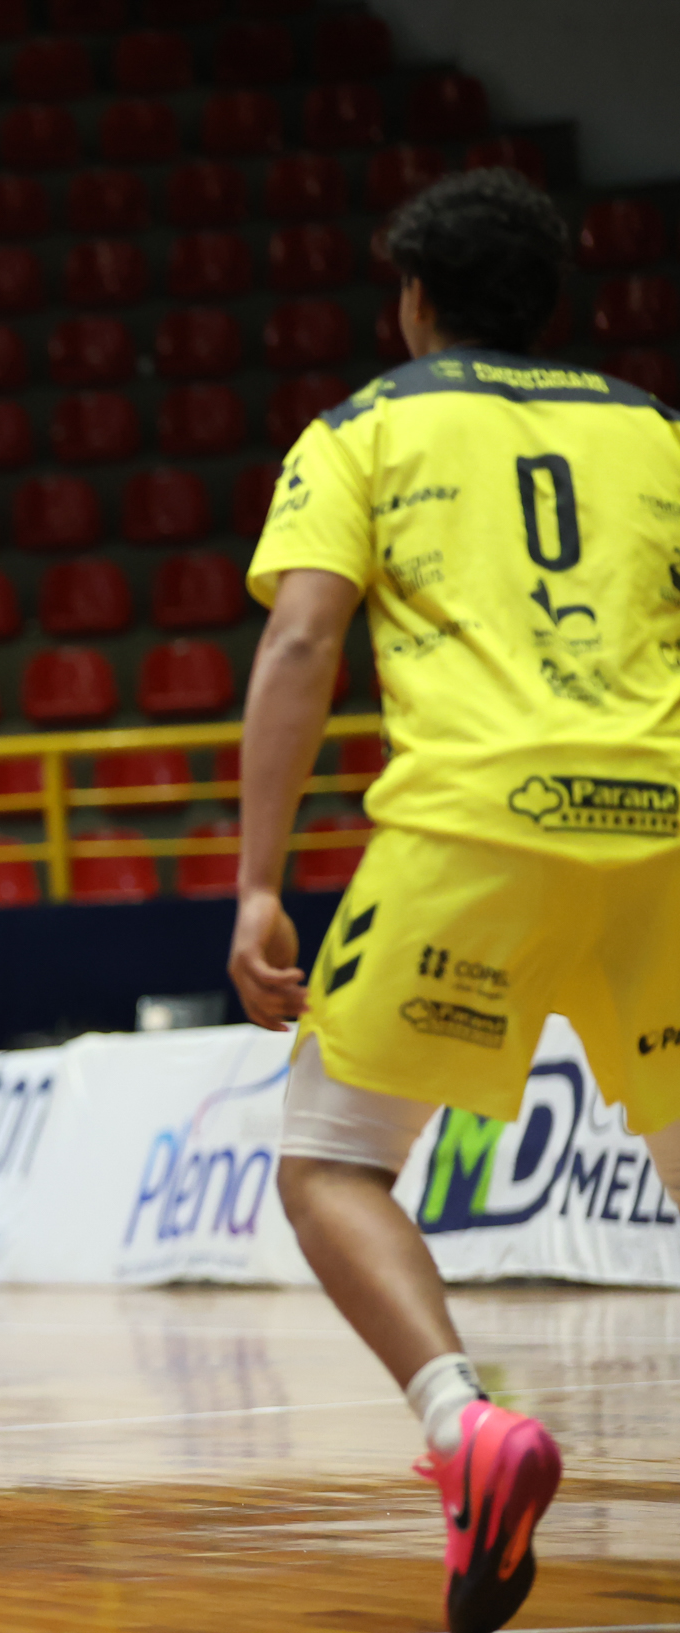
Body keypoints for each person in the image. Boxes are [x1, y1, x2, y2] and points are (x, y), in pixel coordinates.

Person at [230, 169, 680, 1633]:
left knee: (328, 1159)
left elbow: (303, 643)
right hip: (663, 826)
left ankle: (462, 1426)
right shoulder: (655, 432)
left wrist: (256, 881)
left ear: (415, 300)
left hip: (476, 827)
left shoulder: (364, 427)